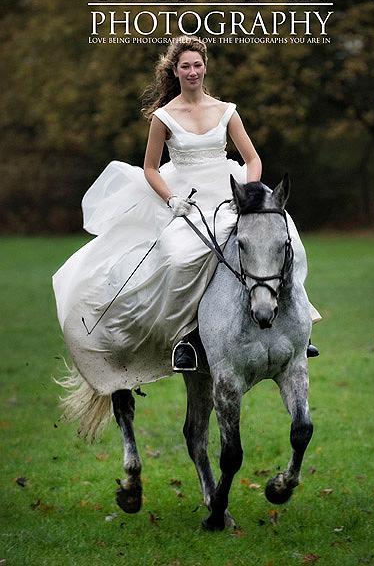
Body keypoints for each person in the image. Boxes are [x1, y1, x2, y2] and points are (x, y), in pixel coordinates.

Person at [52, 35, 319, 396]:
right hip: (188, 201)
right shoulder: (163, 117)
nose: (192, 71)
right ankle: (188, 342)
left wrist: (251, 195)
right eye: (185, 66)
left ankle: (297, 327)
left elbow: (252, 158)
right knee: (179, 259)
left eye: (197, 65)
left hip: (231, 195)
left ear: (205, 66)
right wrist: (172, 199)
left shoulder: (226, 111)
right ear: (174, 71)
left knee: (285, 236)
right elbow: (150, 169)